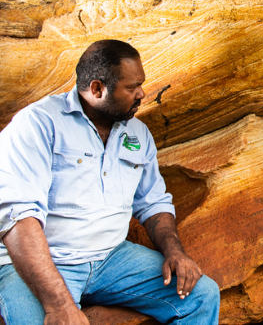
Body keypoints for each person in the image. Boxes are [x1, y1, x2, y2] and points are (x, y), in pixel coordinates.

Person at [0, 40, 220, 324]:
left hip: (110, 258)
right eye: (131, 87)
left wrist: (175, 252)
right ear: (96, 89)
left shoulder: (138, 133)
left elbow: (153, 203)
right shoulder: (39, 124)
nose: (142, 93)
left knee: (201, 294)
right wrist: (60, 306)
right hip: (44, 261)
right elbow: (18, 217)